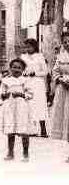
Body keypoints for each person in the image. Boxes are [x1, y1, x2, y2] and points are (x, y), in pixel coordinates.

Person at [0, 58, 35, 162]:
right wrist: (4, 95)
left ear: (23, 69)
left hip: (22, 107)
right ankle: (10, 153)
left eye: (19, 68)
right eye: (14, 67)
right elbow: (1, 93)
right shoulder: (6, 80)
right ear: (10, 68)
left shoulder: (25, 80)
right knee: (10, 129)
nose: (16, 69)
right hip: (10, 107)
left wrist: (21, 94)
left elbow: (31, 94)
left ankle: (25, 153)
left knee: (23, 129)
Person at [21, 39, 49, 138]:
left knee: (40, 105)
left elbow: (45, 71)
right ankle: (30, 129)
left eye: (30, 47)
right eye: (26, 47)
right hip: (28, 83)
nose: (28, 49)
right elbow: (20, 69)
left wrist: (35, 73)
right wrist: (23, 73)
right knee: (29, 105)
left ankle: (43, 129)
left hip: (38, 83)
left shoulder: (40, 56)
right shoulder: (23, 57)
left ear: (34, 47)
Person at [50, 32, 69, 162]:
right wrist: (60, 79)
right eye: (65, 42)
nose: (67, 44)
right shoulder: (61, 56)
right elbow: (55, 71)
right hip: (64, 91)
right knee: (66, 119)